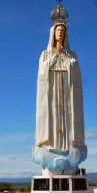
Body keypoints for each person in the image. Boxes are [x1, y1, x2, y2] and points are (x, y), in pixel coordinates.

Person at [35, 22, 85, 152]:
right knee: (52, 116)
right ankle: (50, 145)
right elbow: (42, 72)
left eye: (62, 30)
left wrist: (69, 62)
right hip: (51, 91)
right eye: (58, 30)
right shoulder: (45, 54)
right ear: (53, 33)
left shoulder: (72, 54)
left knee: (67, 117)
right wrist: (54, 59)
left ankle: (70, 146)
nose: (60, 33)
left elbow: (77, 73)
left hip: (67, 90)